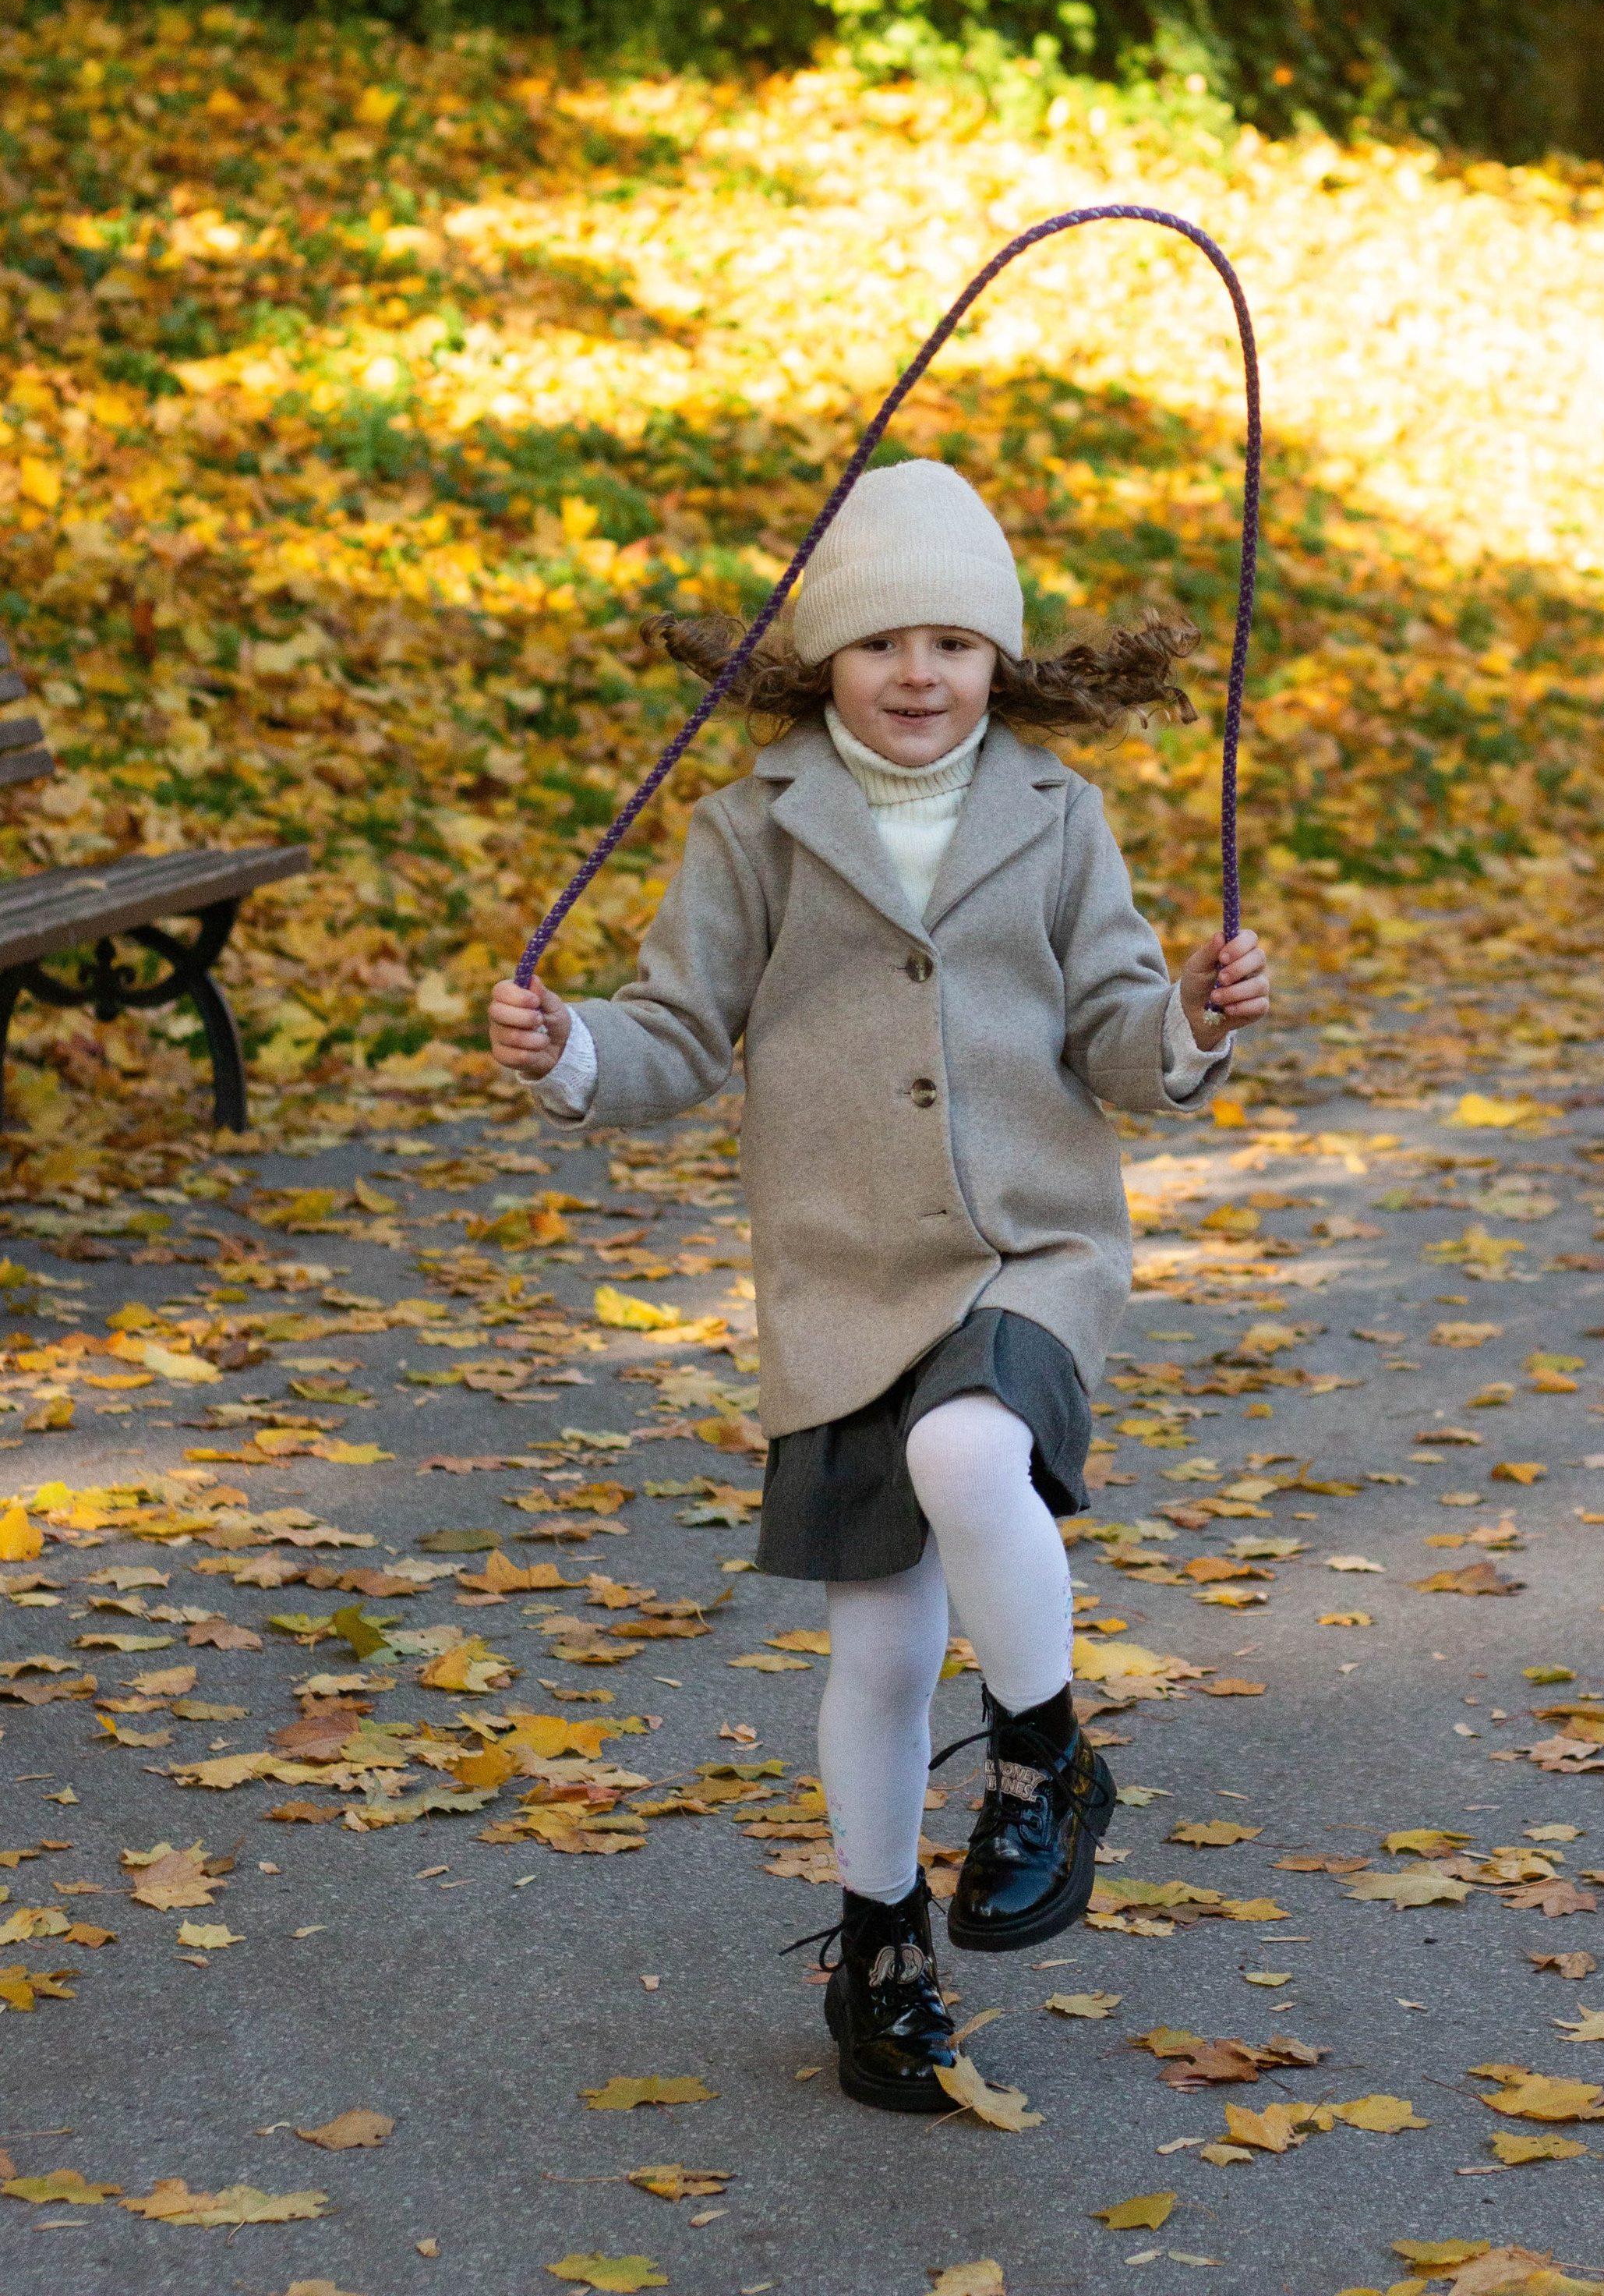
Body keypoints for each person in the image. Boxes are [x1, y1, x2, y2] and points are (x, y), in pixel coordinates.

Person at [488, 460, 1269, 2112]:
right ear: (821, 660)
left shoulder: (1054, 815)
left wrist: (1192, 1021)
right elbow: (676, 1033)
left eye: (954, 643)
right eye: (880, 643)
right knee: (876, 1653)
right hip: (843, 1283)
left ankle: (1048, 1751)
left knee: (969, 1456)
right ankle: (880, 1952)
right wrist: (571, 1054)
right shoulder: (752, 827)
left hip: (1026, 1249)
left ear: (1000, 664)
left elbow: (1120, 1036)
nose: (919, 674)